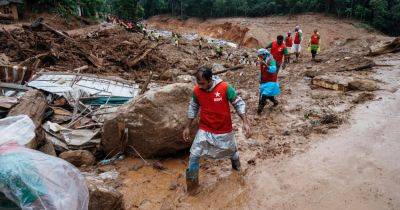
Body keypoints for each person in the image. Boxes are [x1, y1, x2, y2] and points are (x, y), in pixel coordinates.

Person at [183, 66, 251, 195]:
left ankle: (237, 171)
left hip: (224, 129)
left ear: (210, 79)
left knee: (232, 152)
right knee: (194, 155)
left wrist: (245, 122)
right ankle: (192, 188)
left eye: (202, 83)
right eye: (198, 83)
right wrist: (187, 126)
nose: (200, 86)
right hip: (205, 129)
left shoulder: (225, 87)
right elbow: (193, 107)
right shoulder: (197, 91)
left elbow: (238, 103)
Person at [256, 49, 280, 114]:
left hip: (271, 80)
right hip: (264, 80)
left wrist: (266, 65)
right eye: (259, 56)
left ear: (264, 54)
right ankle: (275, 102)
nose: (259, 57)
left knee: (264, 94)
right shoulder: (262, 61)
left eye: (260, 56)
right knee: (268, 95)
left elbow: (273, 69)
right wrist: (260, 78)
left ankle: (259, 109)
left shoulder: (271, 60)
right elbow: (262, 71)